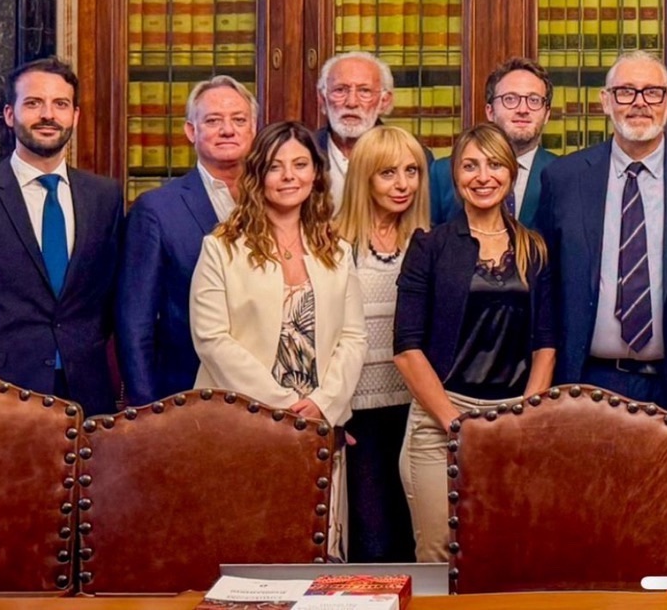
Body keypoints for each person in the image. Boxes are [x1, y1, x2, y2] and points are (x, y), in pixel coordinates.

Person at [189, 121, 367, 554]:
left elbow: (353, 337)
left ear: (315, 174)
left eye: (300, 165)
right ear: (258, 175)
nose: (289, 176)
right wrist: (284, 407)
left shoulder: (336, 249)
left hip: (320, 425)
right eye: (275, 166)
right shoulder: (222, 247)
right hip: (243, 422)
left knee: (316, 548)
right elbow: (212, 338)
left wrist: (322, 404)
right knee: (247, 546)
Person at [393, 123, 558, 562]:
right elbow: (407, 348)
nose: (483, 176)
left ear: (511, 174)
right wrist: (455, 423)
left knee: (504, 554)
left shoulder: (534, 248)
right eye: (470, 166)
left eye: (495, 165)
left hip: (512, 418)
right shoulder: (429, 246)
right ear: (455, 176)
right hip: (438, 420)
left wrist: (526, 416)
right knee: (439, 554)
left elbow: (545, 344)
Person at [0, 58, 125, 416]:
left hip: (85, 391)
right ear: (10, 115)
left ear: (75, 116)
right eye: (33, 103)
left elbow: (108, 297)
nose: (48, 115)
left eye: (60, 104)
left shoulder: (104, 197)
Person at [538, 51, 667, 417]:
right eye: (625, 92)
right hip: (586, 382)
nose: (639, 103)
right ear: (605, 101)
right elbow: (546, 284)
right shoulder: (564, 178)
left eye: (652, 92)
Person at [119, 75, 258, 405]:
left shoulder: (278, 199)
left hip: (269, 391)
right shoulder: (157, 209)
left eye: (239, 120)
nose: (228, 130)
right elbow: (135, 321)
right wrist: (147, 410)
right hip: (187, 391)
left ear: (254, 129)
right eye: (213, 120)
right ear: (191, 131)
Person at [333, 125, 430, 564]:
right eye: (388, 173)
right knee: (372, 543)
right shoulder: (332, 242)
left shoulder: (428, 241)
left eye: (412, 171)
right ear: (364, 178)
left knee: (415, 542)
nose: (403, 184)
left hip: (416, 410)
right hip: (357, 415)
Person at [431, 58, 558, 227]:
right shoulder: (443, 173)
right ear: (490, 111)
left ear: (547, 114)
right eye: (510, 99)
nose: (523, 109)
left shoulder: (564, 175)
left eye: (534, 100)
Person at [315, 52, 403, 208]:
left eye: (364, 91)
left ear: (384, 101)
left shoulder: (408, 154)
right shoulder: (306, 151)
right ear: (322, 99)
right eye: (340, 90)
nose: (351, 102)